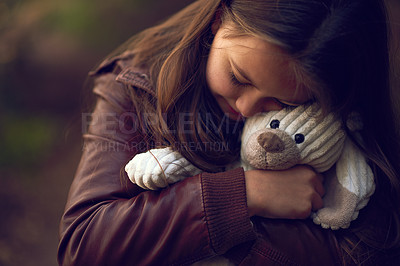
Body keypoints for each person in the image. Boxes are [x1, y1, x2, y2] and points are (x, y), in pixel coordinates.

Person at [58, 0, 400, 265]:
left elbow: (369, 252)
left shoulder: (343, 137)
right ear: (217, 21)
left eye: (283, 103)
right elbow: (85, 244)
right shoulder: (135, 87)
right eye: (238, 77)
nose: (248, 107)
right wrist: (242, 196)